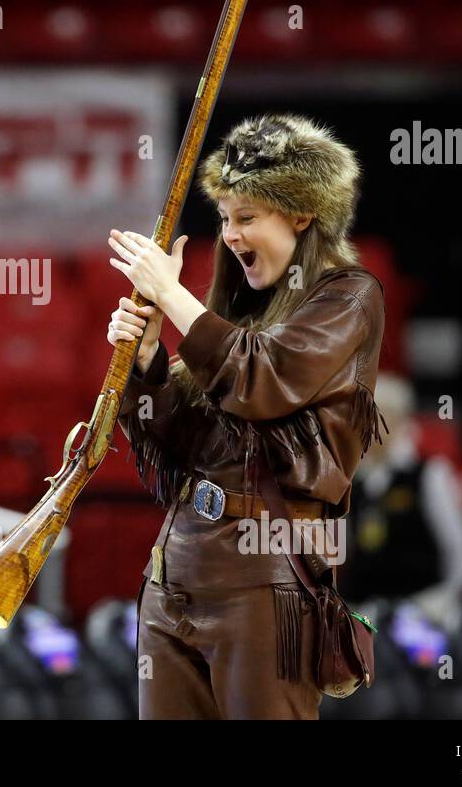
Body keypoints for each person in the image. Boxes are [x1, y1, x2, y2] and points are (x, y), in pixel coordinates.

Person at [108, 113, 386, 719]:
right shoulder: (232, 308)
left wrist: (173, 297)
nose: (230, 235)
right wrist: (150, 358)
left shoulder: (348, 296)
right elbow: (173, 440)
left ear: (302, 213)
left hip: (266, 582)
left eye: (247, 217)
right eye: (225, 218)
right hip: (173, 574)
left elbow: (263, 381)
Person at [341, 372, 462, 625]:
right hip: (366, 612)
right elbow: (347, 552)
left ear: (398, 420)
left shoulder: (430, 474)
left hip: (424, 610)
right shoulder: (355, 482)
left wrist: (440, 600)